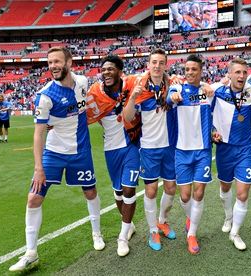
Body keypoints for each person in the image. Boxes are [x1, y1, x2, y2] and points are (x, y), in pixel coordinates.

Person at [9, 47, 104, 272]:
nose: (53, 66)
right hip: (53, 153)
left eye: (57, 61)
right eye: (50, 62)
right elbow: (38, 133)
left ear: (69, 62)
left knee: (90, 192)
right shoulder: (45, 96)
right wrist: (38, 167)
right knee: (33, 198)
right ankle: (31, 253)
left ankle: (96, 232)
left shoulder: (82, 81)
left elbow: (88, 106)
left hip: (80, 151)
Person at [86, 55, 149, 257]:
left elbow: (153, 77)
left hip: (132, 144)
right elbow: (83, 113)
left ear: (120, 71)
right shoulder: (95, 93)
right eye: (103, 69)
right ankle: (128, 225)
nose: (106, 72)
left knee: (129, 190)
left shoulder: (132, 84)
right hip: (111, 148)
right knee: (118, 192)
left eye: (111, 69)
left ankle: (122, 237)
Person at [123, 48, 178, 251]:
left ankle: (162, 220)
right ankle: (153, 230)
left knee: (171, 188)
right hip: (149, 147)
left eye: (161, 62)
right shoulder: (140, 87)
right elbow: (127, 117)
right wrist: (132, 98)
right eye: (154, 62)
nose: (157, 66)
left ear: (165, 65)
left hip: (169, 146)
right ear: (149, 64)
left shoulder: (172, 84)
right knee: (151, 189)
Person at [167, 54, 214, 255]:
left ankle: (192, 234)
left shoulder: (208, 91)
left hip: (202, 150)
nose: (190, 72)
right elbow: (170, 96)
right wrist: (173, 97)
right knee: (185, 196)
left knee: (199, 192)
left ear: (201, 71)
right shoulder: (178, 89)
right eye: (187, 69)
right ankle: (190, 217)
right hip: (182, 150)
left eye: (194, 69)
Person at [211, 58, 251, 250]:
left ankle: (235, 232)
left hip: (244, 149)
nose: (241, 76)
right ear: (228, 74)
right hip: (224, 148)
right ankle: (228, 217)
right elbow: (206, 114)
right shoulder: (216, 92)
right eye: (237, 72)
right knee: (225, 187)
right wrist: (212, 132)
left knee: (243, 193)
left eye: (244, 72)